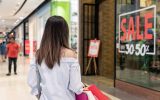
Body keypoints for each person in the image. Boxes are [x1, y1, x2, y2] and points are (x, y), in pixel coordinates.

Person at [28, 16, 84, 100]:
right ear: (65, 32)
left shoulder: (39, 54)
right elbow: (75, 86)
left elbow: (33, 82)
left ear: (46, 32)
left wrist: (39, 95)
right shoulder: (71, 55)